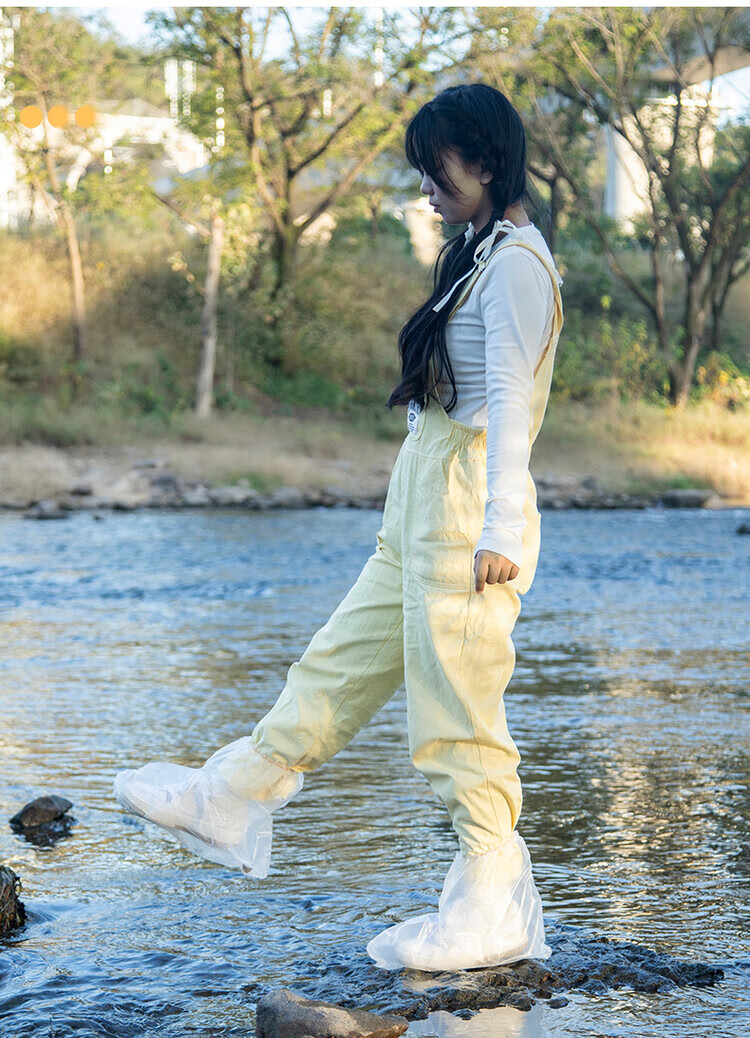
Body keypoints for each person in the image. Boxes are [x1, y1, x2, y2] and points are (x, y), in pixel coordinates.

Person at [113, 82, 564, 973]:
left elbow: (513, 402)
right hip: (425, 494)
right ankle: (234, 792)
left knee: (456, 707)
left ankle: (491, 900)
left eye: (438, 173)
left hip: (470, 508)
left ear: (485, 161)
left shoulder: (516, 263)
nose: (428, 191)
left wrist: (502, 528)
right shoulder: (483, 250)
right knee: (340, 659)